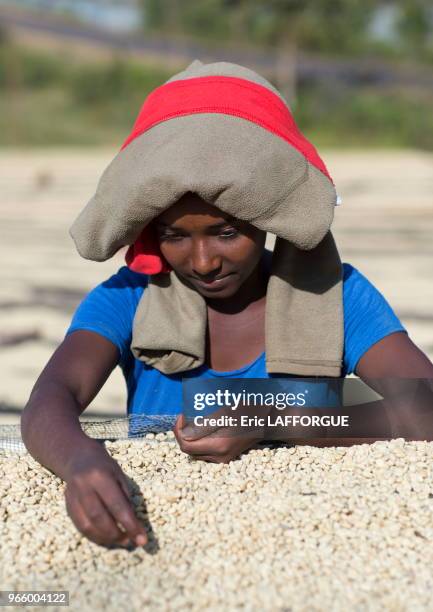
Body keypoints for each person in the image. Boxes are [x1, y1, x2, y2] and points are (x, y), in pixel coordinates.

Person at [20, 61, 433, 551]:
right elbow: (49, 401)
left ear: (265, 217)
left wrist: (264, 414)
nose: (203, 261)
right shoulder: (130, 295)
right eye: (174, 236)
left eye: (227, 233)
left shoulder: (336, 293)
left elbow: (423, 406)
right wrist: (81, 463)